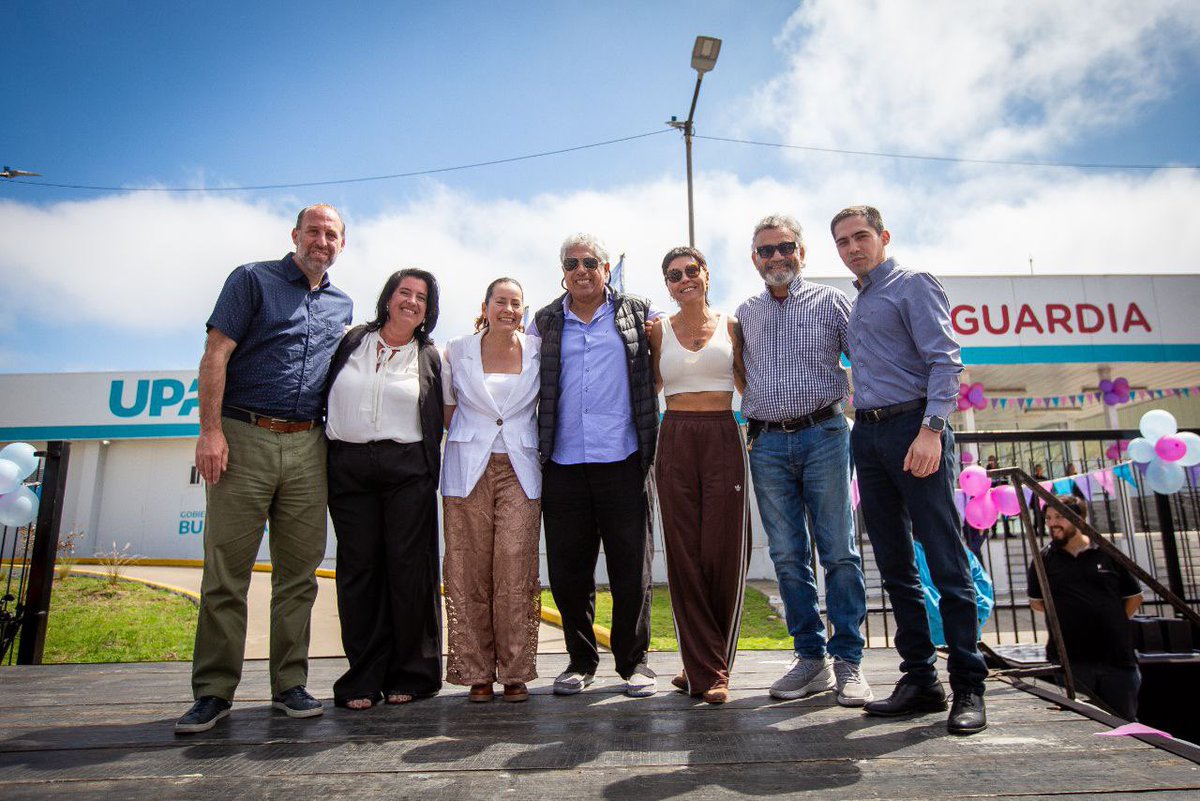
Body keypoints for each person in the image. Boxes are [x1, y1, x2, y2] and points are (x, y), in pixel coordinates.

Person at [177, 205, 353, 734]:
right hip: (243, 437)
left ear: (342, 244)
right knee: (227, 574)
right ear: (295, 235)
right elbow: (216, 353)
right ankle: (213, 692)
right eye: (314, 231)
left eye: (332, 234)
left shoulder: (342, 305)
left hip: (308, 445)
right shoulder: (251, 279)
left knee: (298, 576)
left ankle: (289, 685)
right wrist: (210, 431)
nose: (321, 241)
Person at [832, 204, 989, 735]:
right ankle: (921, 679)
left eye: (861, 237)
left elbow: (946, 359)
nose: (853, 248)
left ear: (883, 237)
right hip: (869, 435)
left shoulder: (912, 282)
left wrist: (931, 429)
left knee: (945, 558)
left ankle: (969, 683)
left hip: (913, 429)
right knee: (895, 565)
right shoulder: (859, 302)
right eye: (843, 242)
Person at [736, 214, 872, 707]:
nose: (777, 257)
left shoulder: (833, 302)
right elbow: (736, 371)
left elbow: (868, 358)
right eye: (766, 250)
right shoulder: (745, 312)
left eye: (785, 247)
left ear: (802, 251)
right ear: (755, 259)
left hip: (824, 434)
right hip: (767, 444)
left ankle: (849, 662)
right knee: (788, 556)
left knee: (839, 551)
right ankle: (810, 659)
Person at [528, 232, 662, 698]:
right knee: (568, 572)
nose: (580, 270)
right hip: (562, 463)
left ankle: (634, 663)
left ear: (606, 268)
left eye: (590, 261)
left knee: (631, 570)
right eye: (571, 263)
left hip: (623, 460)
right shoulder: (543, 322)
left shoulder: (638, 312)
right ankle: (580, 661)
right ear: (561, 272)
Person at [324, 268, 445, 709]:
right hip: (349, 466)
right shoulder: (351, 341)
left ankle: (413, 674)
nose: (411, 301)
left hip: (407, 468)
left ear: (429, 309)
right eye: (404, 292)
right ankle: (362, 677)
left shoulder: (431, 356)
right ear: (388, 297)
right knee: (359, 572)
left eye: (421, 297)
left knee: (409, 572)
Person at [650, 246, 750, 705]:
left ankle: (711, 664)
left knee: (722, 549)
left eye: (692, 271)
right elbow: (642, 390)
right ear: (667, 284)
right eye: (674, 275)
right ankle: (704, 669)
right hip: (674, 437)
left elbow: (750, 387)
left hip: (722, 438)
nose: (684, 279)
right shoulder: (657, 332)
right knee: (684, 553)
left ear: (707, 275)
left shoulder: (733, 326)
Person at [441, 278, 543, 703]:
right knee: (467, 569)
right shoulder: (456, 349)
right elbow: (448, 408)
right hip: (468, 469)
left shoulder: (539, 350)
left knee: (515, 567)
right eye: (500, 301)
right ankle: (476, 671)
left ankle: (515, 671)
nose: (508, 309)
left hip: (520, 467)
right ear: (485, 306)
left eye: (516, 303)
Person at [1027, 495, 1143, 720]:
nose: (1052, 523)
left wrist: (1110, 621)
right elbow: (1037, 602)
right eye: (1049, 517)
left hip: (1117, 659)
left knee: (1125, 724)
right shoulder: (1044, 559)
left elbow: (1134, 597)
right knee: (1080, 724)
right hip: (1071, 662)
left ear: (1079, 519)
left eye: (1059, 516)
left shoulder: (1107, 553)